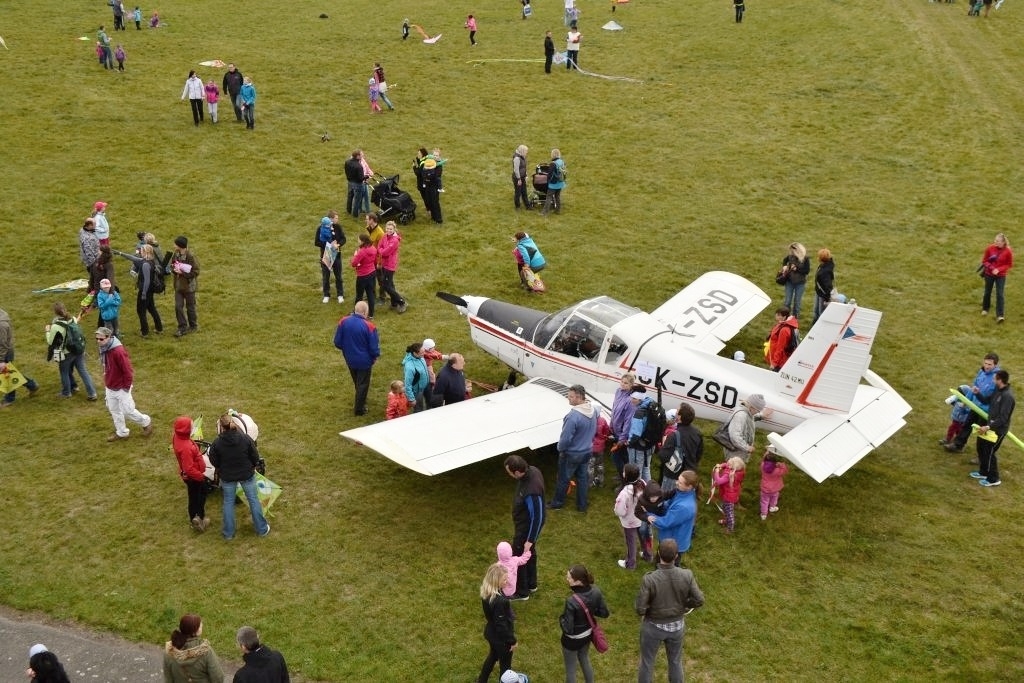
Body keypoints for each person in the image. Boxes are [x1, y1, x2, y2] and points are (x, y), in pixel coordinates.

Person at [634, 539, 705, 683]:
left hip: (653, 627)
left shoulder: (649, 579)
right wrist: (684, 606)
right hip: (677, 626)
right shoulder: (687, 575)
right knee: (675, 662)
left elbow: (640, 609)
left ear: (658, 553)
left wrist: (648, 611)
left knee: (647, 663)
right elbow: (699, 599)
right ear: (676, 556)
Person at [209, 413, 270, 539]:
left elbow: (213, 459)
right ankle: (262, 529)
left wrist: (221, 468)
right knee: (253, 500)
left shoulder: (217, 443)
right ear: (233, 422)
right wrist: (252, 466)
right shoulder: (245, 438)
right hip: (246, 474)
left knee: (228, 503)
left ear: (221, 426)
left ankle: (228, 533)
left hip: (227, 476)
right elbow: (255, 455)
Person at [96, 326, 153, 441]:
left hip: (122, 387)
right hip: (110, 386)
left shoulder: (118, 351)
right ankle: (122, 432)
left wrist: (126, 388)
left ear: (109, 337)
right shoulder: (104, 348)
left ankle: (146, 422)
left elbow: (128, 371)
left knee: (128, 411)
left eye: (101, 339)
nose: (98, 341)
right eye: (97, 338)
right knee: (114, 410)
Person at [549, 384, 600, 512]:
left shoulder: (573, 416)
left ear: (578, 397)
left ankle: (557, 503)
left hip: (572, 453)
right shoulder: (593, 411)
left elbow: (565, 439)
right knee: (582, 479)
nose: (568, 398)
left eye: (570, 396)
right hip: (587, 450)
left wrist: (560, 448)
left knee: (563, 479)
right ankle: (582, 505)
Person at [559, 564, 610, 683]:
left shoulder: (571, 601)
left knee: (571, 670)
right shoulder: (596, 591)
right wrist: (590, 610)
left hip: (571, 641)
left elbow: (568, 629)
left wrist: (561, 618)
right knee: (584, 659)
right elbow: (604, 613)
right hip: (587, 634)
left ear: (577, 582)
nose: (567, 579)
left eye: (569, 578)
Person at [504, 454, 545, 600]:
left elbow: (538, 517)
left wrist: (530, 539)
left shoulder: (531, 491)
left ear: (517, 472)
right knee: (530, 554)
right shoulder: (532, 470)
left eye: (509, 472)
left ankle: (521, 592)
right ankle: (532, 584)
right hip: (524, 526)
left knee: (518, 557)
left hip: (526, 529)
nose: (508, 474)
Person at [944, 353, 1000, 453]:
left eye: (989, 365)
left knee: (983, 434)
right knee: (966, 425)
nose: (986, 366)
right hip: (975, 406)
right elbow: (973, 387)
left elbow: (996, 397)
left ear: (995, 365)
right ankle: (958, 445)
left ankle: (983, 457)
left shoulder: (997, 378)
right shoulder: (981, 372)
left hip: (986, 411)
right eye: (985, 363)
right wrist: (967, 401)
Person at [333, 301, 380, 416]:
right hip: (365, 360)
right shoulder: (370, 326)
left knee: (357, 380)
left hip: (349, 358)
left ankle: (361, 398)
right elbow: (373, 347)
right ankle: (359, 409)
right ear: (365, 312)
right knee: (363, 383)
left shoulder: (343, 321)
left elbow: (337, 342)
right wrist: (375, 356)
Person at [46, 302, 97, 401]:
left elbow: (50, 341)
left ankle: (66, 392)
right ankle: (92, 393)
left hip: (66, 353)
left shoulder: (56, 326)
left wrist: (47, 331)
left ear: (55, 313)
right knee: (83, 371)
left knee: (64, 371)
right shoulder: (72, 319)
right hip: (79, 349)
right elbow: (77, 323)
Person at [971, 369, 1014, 487]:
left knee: (990, 452)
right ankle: (983, 472)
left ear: (1000, 380)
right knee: (983, 448)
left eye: (995, 378)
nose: (993, 380)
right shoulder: (997, 390)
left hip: (999, 430)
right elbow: (986, 401)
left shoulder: (1007, 396)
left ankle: (994, 478)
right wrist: (977, 393)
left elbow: (1003, 418)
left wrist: (988, 426)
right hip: (989, 427)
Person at [475, 564, 516, 682]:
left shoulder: (487, 593)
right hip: (501, 639)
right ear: (496, 580)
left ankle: (481, 680)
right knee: (506, 667)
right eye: (504, 579)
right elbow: (501, 626)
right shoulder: (500, 601)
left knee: (493, 656)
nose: (507, 580)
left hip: (491, 633)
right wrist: (512, 641)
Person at [647, 471, 700, 557]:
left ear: (689, 487)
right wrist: (657, 504)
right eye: (678, 480)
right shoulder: (683, 492)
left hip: (672, 545)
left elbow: (665, 522)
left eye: (680, 482)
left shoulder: (684, 507)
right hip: (671, 538)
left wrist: (647, 513)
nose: (676, 483)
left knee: (664, 567)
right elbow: (669, 505)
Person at [172, 415, 209, 532]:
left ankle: (194, 518)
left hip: (187, 476)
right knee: (200, 494)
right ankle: (199, 518)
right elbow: (189, 468)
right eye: (191, 426)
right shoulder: (187, 448)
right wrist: (200, 476)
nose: (193, 427)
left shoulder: (177, 438)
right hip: (193, 477)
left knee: (193, 496)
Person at [163, 614, 225, 683]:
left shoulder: (169, 651)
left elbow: (168, 678)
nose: (202, 626)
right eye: (200, 626)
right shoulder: (206, 652)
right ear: (195, 632)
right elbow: (218, 677)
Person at [0, 309, 40, 408]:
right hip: (5, 350)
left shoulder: (1, 325)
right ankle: (32, 385)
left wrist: (1, 360)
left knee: (6, 374)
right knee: (8, 373)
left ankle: (9, 399)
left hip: (4, 352)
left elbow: (3, 344)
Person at [660, 403, 703, 490]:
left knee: (667, 502)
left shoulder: (673, 435)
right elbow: (698, 454)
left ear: (679, 417)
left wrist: (664, 444)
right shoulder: (697, 433)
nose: (675, 412)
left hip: (673, 476)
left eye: (677, 411)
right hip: (689, 476)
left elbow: (663, 457)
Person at [720, 393, 766, 463]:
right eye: (758, 410)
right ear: (752, 407)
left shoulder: (747, 412)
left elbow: (748, 419)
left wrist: (760, 416)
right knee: (734, 470)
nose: (758, 412)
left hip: (739, 451)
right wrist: (747, 447)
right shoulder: (741, 416)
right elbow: (735, 436)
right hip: (735, 453)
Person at [614, 463, 644, 570]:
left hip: (629, 522)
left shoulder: (624, 493)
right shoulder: (643, 484)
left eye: (623, 471)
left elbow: (620, 511)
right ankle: (647, 555)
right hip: (642, 519)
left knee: (631, 542)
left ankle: (630, 564)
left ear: (626, 476)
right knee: (643, 537)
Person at [610, 374, 637, 483]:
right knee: (622, 456)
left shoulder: (630, 400)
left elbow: (628, 421)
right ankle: (624, 475)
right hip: (615, 429)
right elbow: (614, 408)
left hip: (622, 433)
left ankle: (626, 480)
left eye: (626, 383)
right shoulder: (618, 391)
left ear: (631, 385)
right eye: (622, 381)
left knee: (617, 457)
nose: (622, 384)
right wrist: (611, 424)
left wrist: (623, 438)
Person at [171, 236, 200, 337]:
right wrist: (174, 270)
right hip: (178, 286)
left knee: (190, 307)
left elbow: (196, 272)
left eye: (175, 244)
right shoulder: (176, 254)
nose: (173, 245)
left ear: (180, 245)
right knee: (178, 307)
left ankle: (193, 326)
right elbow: (173, 265)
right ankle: (182, 327)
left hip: (189, 287)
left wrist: (182, 273)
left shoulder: (190, 256)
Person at [980, 233, 1013, 322]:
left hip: (1001, 276)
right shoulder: (990, 248)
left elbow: (1009, 264)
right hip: (989, 274)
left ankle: (1000, 315)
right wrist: (992, 268)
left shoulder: (1008, 251)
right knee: (987, 292)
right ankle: (985, 309)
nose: (995, 242)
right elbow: (984, 261)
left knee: (1000, 294)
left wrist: (999, 269)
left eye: (998, 241)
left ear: (1003, 242)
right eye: (995, 240)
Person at [316, 213, 346, 303]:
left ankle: (340, 294)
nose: (337, 220)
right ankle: (326, 295)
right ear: (330, 219)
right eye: (336, 218)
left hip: (336, 255)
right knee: (326, 276)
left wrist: (338, 244)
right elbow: (316, 242)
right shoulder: (320, 228)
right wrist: (328, 245)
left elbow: (343, 239)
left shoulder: (338, 227)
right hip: (326, 255)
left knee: (338, 276)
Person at [627, 391, 657, 481]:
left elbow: (636, 434)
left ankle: (636, 491)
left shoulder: (639, 412)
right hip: (649, 445)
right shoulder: (651, 406)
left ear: (640, 400)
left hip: (638, 447)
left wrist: (629, 442)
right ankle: (649, 490)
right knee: (646, 469)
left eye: (634, 398)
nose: (631, 400)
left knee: (636, 471)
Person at [378, 221, 408, 313]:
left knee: (386, 285)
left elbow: (385, 252)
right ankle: (394, 303)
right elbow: (379, 245)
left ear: (394, 229)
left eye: (390, 229)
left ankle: (402, 302)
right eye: (387, 228)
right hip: (384, 263)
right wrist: (381, 250)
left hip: (390, 265)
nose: (388, 230)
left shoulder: (395, 240)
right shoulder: (384, 236)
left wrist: (381, 250)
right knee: (390, 284)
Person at [135, 244, 164, 337]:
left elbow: (147, 280)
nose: (140, 252)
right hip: (150, 290)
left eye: (142, 250)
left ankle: (145, 332)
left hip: (145, 290)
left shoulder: (145, 264)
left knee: (141, 311)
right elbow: (133, 258)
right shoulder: (151, 261)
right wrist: (120, 253)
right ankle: (159, 328)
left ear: (145, 252)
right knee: (151, 308)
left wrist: (143, 293)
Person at [712, 456, 746, 533]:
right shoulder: (735, 470)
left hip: (729, 497)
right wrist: (721, 465)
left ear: (732, 467)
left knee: (729, 511)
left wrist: (717, 471)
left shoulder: (729, 475)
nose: (729, 461)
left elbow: (719, 481)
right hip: (729, 493)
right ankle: (726, 520)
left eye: (731, 462)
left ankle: (730, 528)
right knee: (724, 507)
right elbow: (726, 464)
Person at [350, 233, 379, 319]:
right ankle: (371, 314)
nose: (357, 241)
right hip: (372, 273)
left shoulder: (361, 251)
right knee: (370, 294)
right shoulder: (373, 248)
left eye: (358, 240)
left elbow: (353, 263)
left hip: (362, 276)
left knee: (359, 295)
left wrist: (355, 255)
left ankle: (356, 312)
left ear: (362, 241)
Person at [780, 242, 811, 319]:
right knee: (787, 302)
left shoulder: (805, 259)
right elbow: (785, 260)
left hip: (800, 283)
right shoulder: (790, 256)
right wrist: (784, 266)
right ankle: (785, 318)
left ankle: (794, 319)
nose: (791, 253)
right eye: (791, 251)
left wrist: (797, 269)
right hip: (789, 282)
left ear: (798, 250)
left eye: (793, 251)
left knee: (797, 303)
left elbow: (806, 271)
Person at [764, 306, 799, 371]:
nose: (776, 316)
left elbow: (780, 348)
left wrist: (774, 363)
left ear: (784, 317)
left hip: (780, 363)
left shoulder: (784, 330)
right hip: (780, 360)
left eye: (778, 315)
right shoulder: (784, 324)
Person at [760, 450, 789, 520]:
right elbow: (785, 471)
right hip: (775, 489)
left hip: (765, 489)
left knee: (764, 501)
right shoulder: (777, 471)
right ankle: (772, 507)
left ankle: (763, 514)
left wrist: (766, 453)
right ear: (775, 462)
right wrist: (781, 465)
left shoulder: (763, 466)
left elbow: (763, 460)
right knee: (774, 498)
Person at [402, 341, 430, 412]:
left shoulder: (420, 357)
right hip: (417, 391)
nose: (424, 354)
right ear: (415, 353)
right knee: (419, 410)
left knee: (430, 403)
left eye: (424, 351)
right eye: (422, 353)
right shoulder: (410, 367)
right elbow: (407, 385)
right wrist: (411, 399)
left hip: (426, 386)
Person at [540, 149, 566, 215]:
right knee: (557, 196)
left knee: (549, 197)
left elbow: (549, 174)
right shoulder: (562, 161)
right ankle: (558, 210)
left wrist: (547, 181)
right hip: (560, 182)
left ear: (553, 155)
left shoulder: (553, 164)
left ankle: (544, 212)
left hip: (553, 184)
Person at [345, 150, 370, 218]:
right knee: (357, 200)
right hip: (358, 185)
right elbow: (361, 178)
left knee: (350, 197)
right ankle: (355, 215)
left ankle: (348, 210)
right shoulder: (359, 166)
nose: (363, 156)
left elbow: (346, 172)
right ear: (358, 156)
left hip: (350, 182)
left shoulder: (347, 162)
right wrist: (367, 176)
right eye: (361, 155)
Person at [813, 248, 835, 323]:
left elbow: (827, 286)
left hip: (823, 294)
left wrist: (826, 298)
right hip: (819, 291)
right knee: (816, 310)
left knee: (820, 312)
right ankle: (814, 324)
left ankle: (819, 327)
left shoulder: (824, 271)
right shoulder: (826, 265)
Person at [512, 145, 530, 210]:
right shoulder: (517, 158)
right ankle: (517, 206)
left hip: (522, 177)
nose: (527, 152)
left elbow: (524, 168)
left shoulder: (522, 157)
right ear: (522, 151)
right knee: (518, 192)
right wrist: (519, 179)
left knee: (524, 192)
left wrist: (526, 175)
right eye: (526, 151)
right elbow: (516, 170)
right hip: (517, 178)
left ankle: (528, 206)